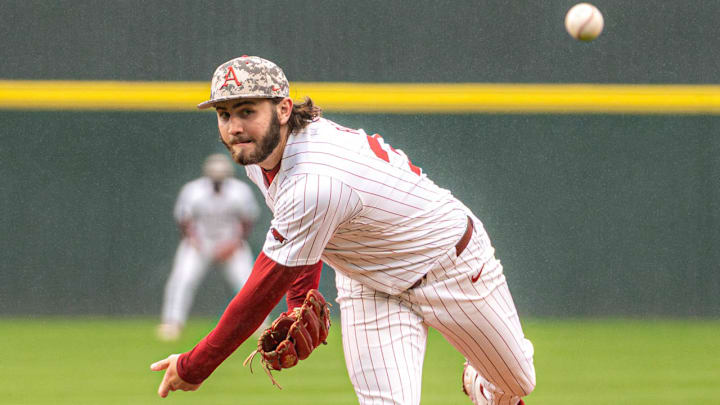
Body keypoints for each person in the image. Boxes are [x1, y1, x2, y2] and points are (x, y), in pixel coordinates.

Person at [150, 56, 536, 405]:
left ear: (284, 109)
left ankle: (481, 383)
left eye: (247, 110)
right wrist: (300, 303)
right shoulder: (260, 152)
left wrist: (194, 365)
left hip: (449, 265)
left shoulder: (315, 177)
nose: (234, 127)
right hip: (367, 281)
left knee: (518, 384)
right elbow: (302, 235)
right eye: (224, 114)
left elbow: (261, 289)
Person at [156, 153, 260, 341]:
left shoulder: (240, 191)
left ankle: (260, 325)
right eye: (214, 177)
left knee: (248, 283)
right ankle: (172, 323)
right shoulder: (193, 191)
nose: (217, 181)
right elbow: (184, 219)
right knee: (182, 280)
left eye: (221, 177)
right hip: (199, 244)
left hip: (231, 244)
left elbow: (247, 220)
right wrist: (195, 241)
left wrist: (234, 244)